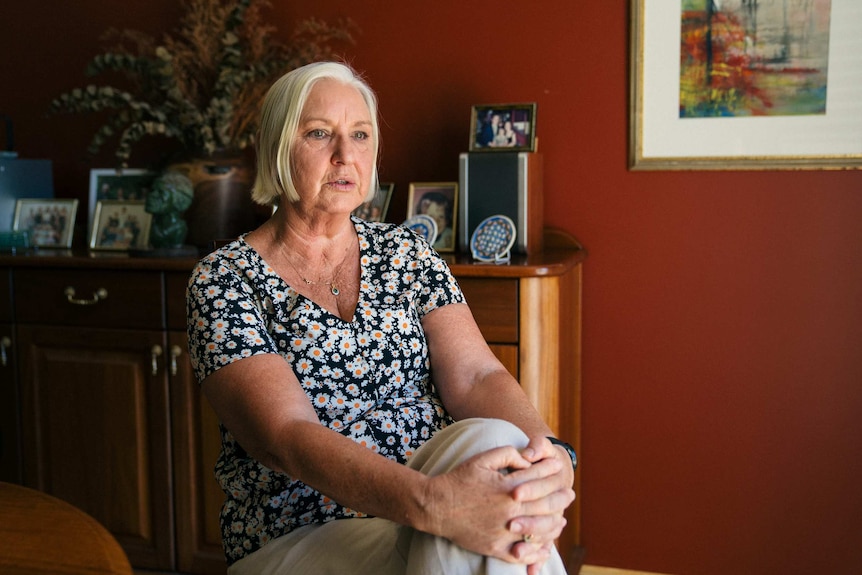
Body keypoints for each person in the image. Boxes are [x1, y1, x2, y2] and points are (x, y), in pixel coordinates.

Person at [186, 61, 576, 575]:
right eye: (320, 133)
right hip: (302, 530)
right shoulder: (223, 280)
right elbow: (286, 437)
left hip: (438, 504)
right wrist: (437, 505)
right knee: (491, 525)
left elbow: (478, 375)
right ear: (277, 148)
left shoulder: (406, 253)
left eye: (361, 135)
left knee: (498, 446)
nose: (346, 155)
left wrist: (549, 459)